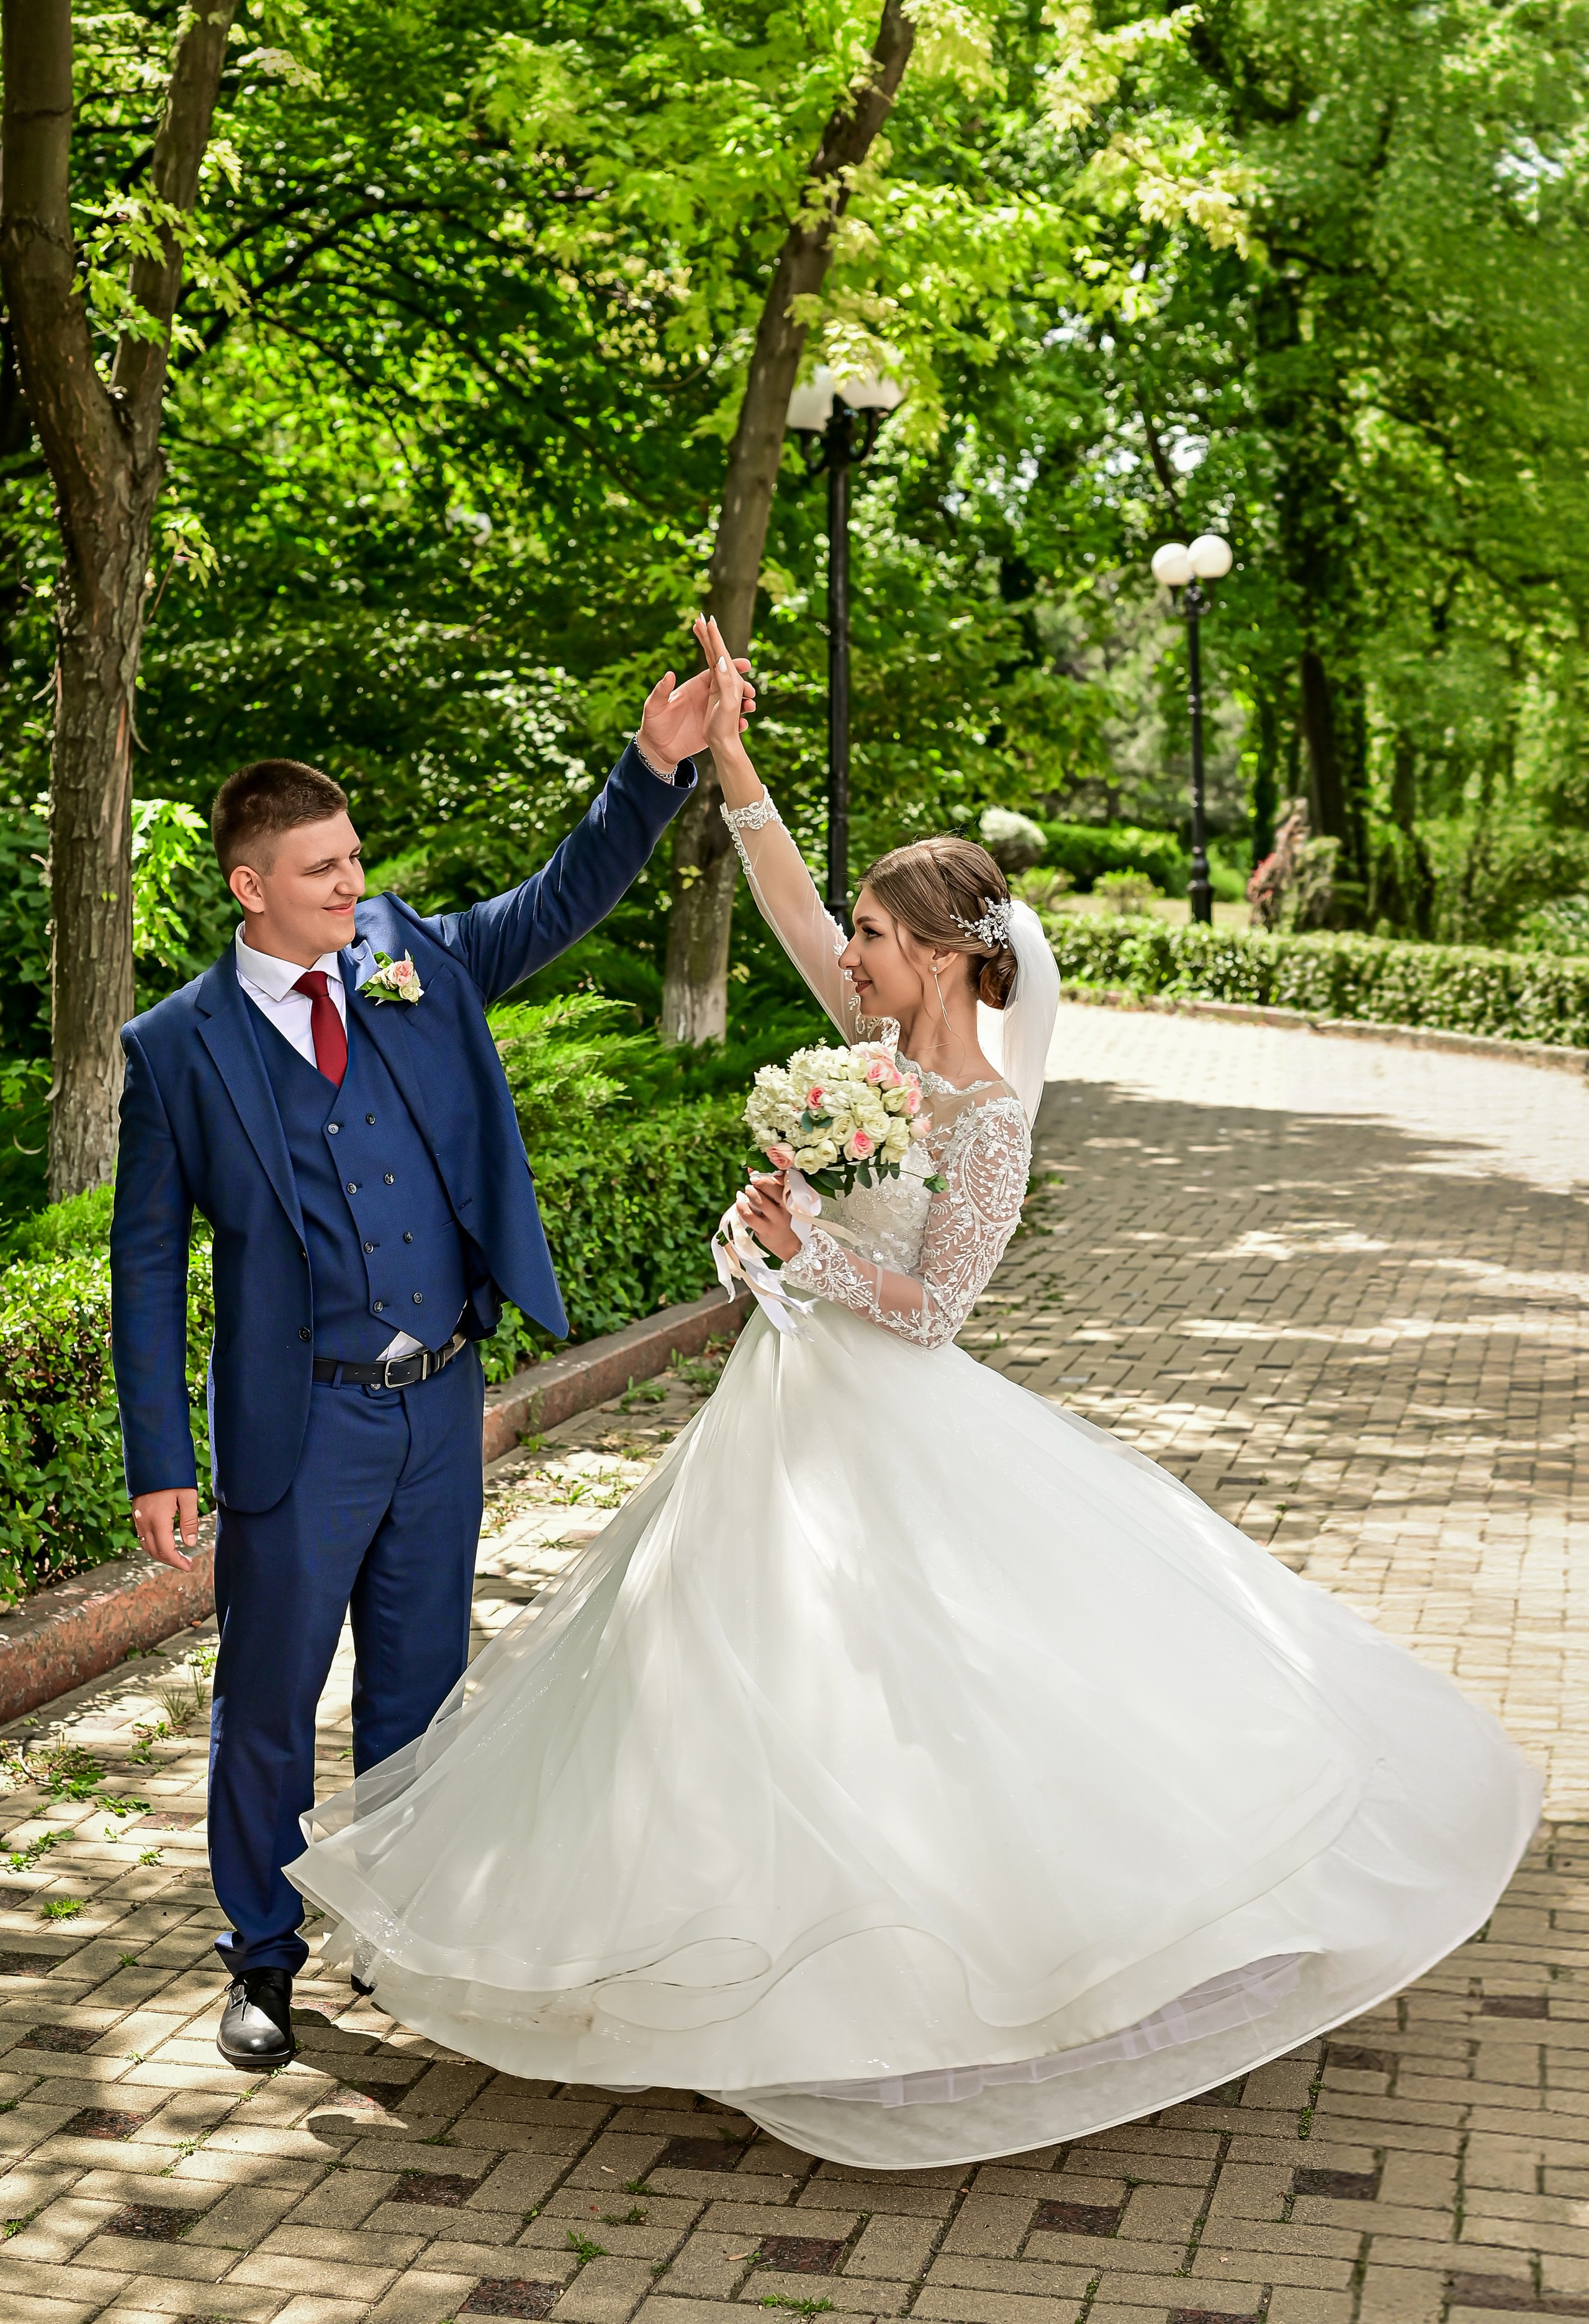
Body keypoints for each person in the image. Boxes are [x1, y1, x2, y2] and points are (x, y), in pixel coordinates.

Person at [287, 619, 1539, 2168]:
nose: (851, 957)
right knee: (709, 1680)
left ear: (942, 953)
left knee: (916, 1705)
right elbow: (783, 891)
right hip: (780, 1412)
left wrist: (803, 1247)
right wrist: (724, 752)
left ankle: (945, 1987)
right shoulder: (863, 1055)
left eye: (876, 938)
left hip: (890, 1424)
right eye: (858, 939)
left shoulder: (983, 1113)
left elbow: (937, 1312)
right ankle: (703, 1958)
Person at [109, 646, 754, 2072]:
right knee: (269, 1703)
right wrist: (164, 1460)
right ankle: (261, 1960)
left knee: (417, 1689)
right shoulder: (177, 1051)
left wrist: (650, 774)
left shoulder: (407, 954)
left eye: (353, 863)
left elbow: (553, 903)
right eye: (322, 870)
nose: (350, 886)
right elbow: (146, 1269)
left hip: (438, 1398)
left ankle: (400, 1940)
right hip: (301, 1421)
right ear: (249, 886)